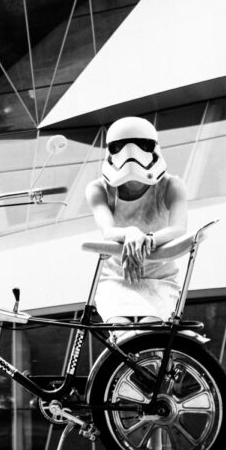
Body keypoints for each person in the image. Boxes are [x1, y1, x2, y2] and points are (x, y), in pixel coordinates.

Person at [85, 116, 188, 323]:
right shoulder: (98, 189)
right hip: (116, 277)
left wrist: (146, 239)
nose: (131, 154)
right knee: (119, 330)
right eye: (119, 146)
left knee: (151, 328)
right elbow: (108, 230)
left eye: (142, 145)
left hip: (159, 278)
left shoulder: (172, 186)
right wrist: (131, 233)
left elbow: (179, 228)